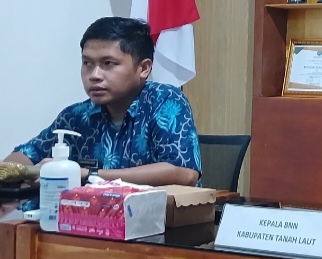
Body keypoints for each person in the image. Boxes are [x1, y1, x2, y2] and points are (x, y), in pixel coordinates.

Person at [5, 17, 202, 187]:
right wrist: (16, 173)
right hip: (86, 217)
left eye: (108, 64)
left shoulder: (165, 102)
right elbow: (26, 154)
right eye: (87, 63)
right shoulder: (76, 116)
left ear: (143, 68)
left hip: (157, 217)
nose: (94, 75)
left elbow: (184, 173)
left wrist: (88, 175)